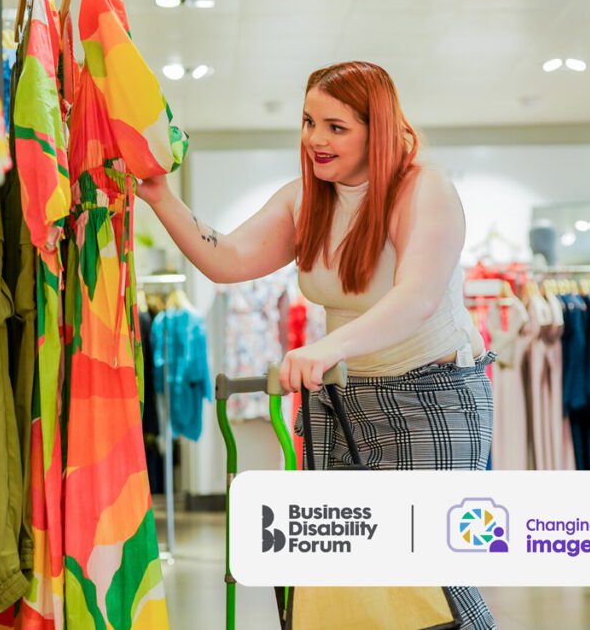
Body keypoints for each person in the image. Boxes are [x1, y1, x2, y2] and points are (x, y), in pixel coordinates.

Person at [136, 61, 496, 629]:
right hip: (344, 401)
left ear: (376, 128)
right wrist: (160, 198)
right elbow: (227, 259)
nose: (315, 139)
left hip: (432, 397)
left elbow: (417, 298)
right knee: (348, 572)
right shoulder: (306, 198)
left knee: (431, 574)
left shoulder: (425, 189)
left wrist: (327, 350)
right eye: (308, 122)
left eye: (336, 126)